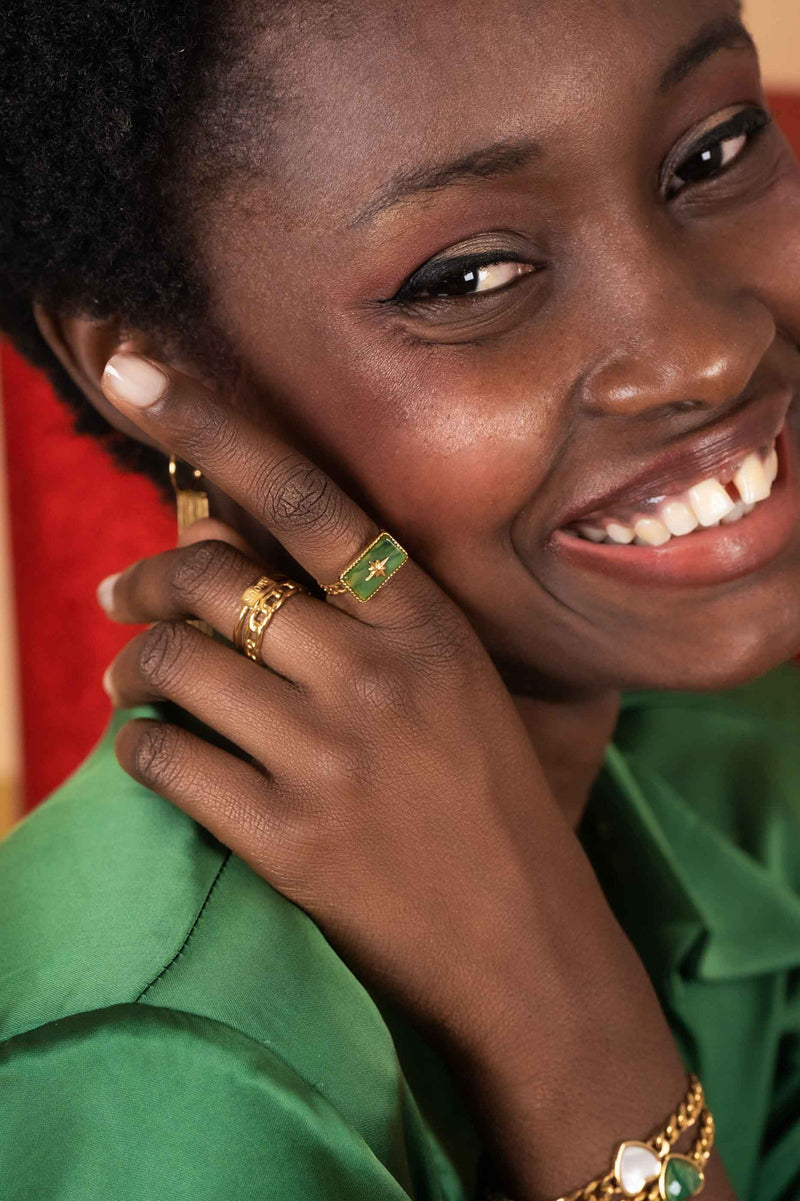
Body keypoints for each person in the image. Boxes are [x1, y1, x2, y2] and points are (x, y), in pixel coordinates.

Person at [1, 1, 798, 1198]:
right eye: (468, 274)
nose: (704, 354)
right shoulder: (159, 1075)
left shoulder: (731, 769)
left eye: (712, 152)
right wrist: (573, 1041)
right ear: (147, 366)